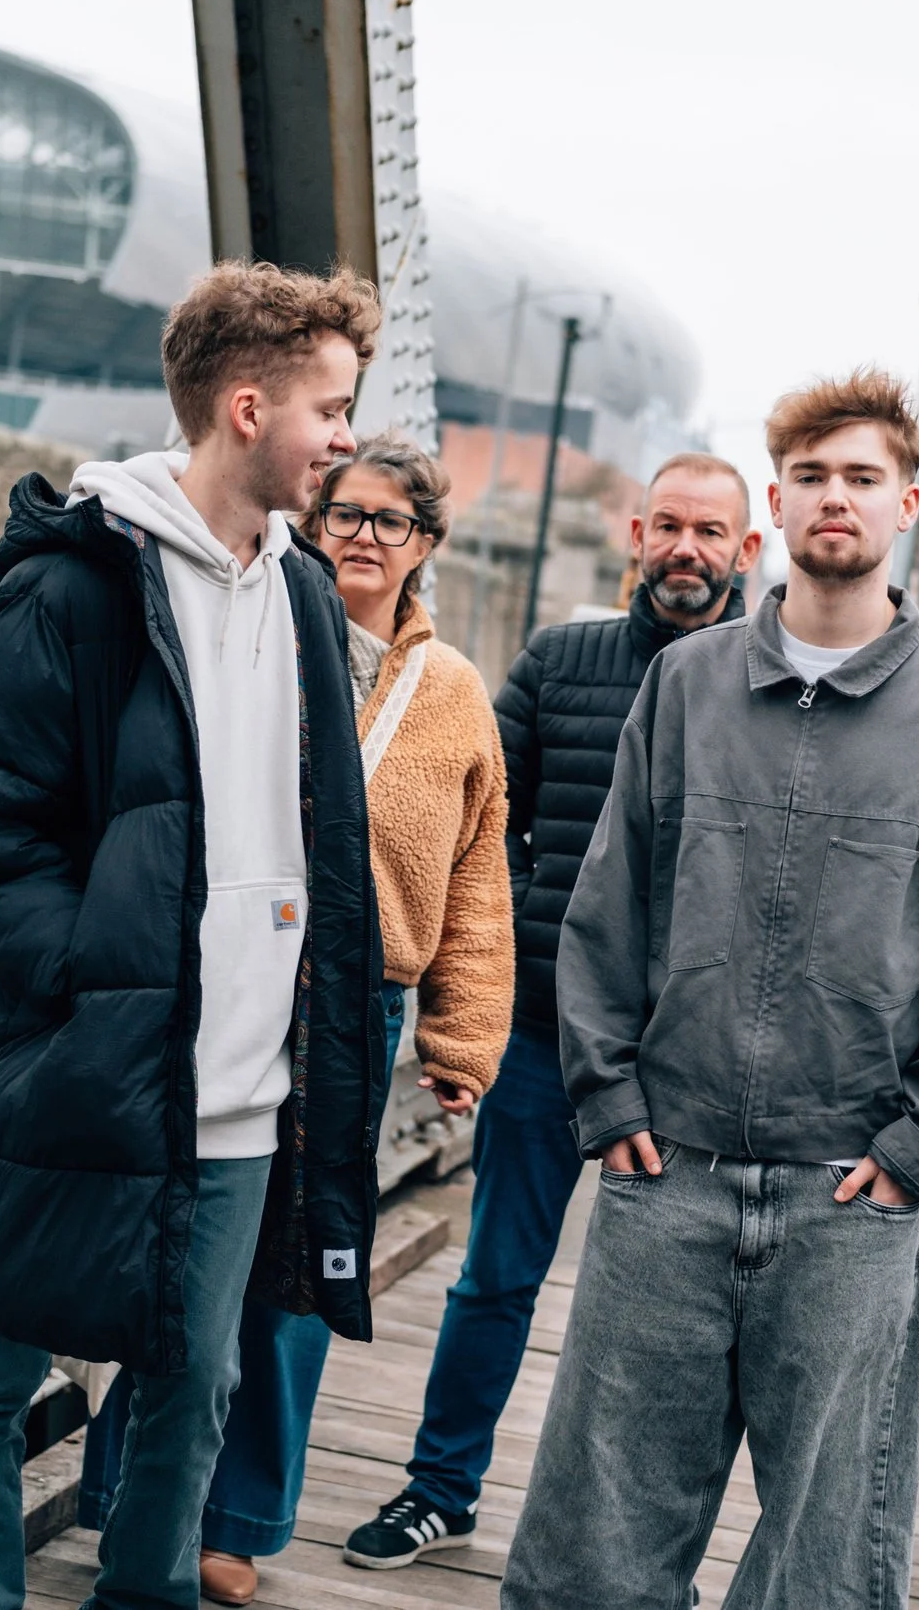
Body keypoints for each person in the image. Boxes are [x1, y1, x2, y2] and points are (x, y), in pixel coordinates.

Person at [502, 368, 919, 1610]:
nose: (835, 497)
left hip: (848, 1191)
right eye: (810, 476)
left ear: (907, 503)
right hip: (666, 1174)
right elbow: (610, 900)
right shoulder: (685, 685)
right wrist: (606, 1094)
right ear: (777, 505)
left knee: (825, 1557)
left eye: (862, 477)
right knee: (593, 1547)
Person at [0, 261, 389, 1610]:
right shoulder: (72, 589)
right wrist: (104, 978)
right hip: (79, 1068)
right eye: (330, 408)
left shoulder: (303, 593)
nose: (344, 437)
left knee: (198, 1379)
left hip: (240, 1095)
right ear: (248, 408)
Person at [83, 435, 515, 1605]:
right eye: (345, 512)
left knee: (300, 1266)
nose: (364, 535)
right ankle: (128, 1491)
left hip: (358, 1006)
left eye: (391, 519)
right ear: (313, 524)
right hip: (239, 971)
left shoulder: (453, 692)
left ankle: (235, 1520)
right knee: (188, 1247)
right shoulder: (258, 632)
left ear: (425, 544)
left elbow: (477, 875)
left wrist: (462, 1039)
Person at [343, 451, 762, 1569]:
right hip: (544, 1037)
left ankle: (621, 1545)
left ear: (744, 548)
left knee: (660, 1314)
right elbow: (481, 822)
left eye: (708, 531)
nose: (685, 548)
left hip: (683, 1061)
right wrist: (541, 933)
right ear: (636, 535)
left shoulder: (768, 688)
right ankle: (440, 1488)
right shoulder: (560, 663)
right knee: (495, 1276)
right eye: (667, 525)